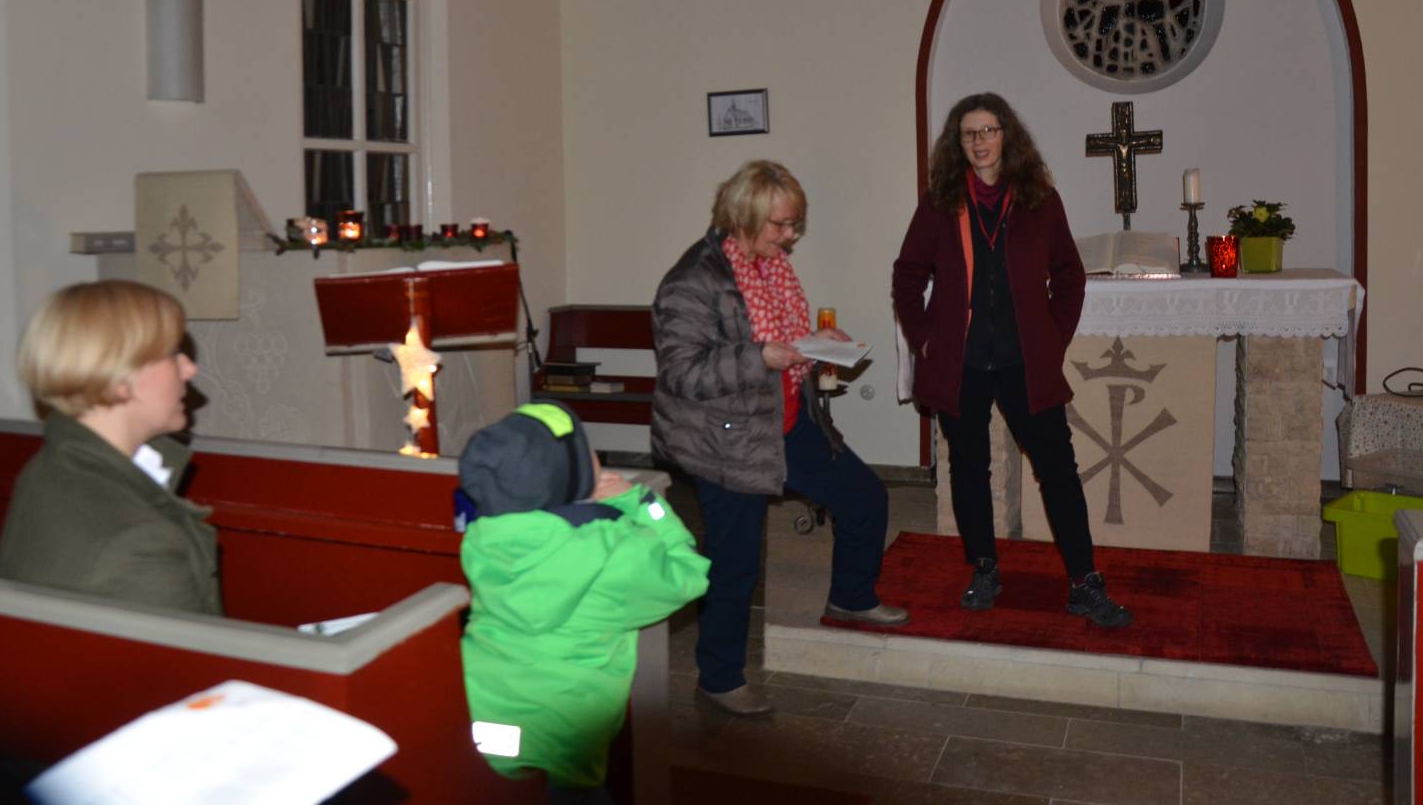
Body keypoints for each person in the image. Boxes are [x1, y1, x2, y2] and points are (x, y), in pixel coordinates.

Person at [652, 159, 909, 719]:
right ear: (743, 217)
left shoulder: (770, 267)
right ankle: (719, 679)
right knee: (737, 562)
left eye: (794, 224)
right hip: (724, 439)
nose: (790, 237)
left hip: (786, 422)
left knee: (865, 497)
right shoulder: (692, 281)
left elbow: (780, 334)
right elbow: (682, 373)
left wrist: (814, 343)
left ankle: (851, 597)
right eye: (781, 226)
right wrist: (761, 357)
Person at [892, 94, 1132, 628]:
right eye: (969, 133)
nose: (979, 142)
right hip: (962, 364)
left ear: (1007, 136)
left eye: (989, 131)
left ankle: (1084, 583)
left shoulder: (1038, 198)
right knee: (970, 469)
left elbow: (1069, 274)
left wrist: (1052, 336)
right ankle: (984, 568)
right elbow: (908, 276)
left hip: (1026, 361)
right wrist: (925, 338)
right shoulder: (940, 201)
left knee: (1059, 470)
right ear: (959, 143)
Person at [459, 401, 710, 802]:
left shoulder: (483, 537)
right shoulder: (614, 550)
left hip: (485, 721)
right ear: (568, 471)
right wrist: (641, 503)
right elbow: (689, 574)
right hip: (565, 735)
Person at [0, 280, 221, 615]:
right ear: (120, 379)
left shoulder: (55, 463)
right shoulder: (139, 542)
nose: (189, 368)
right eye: (173, 354)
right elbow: (199, 664)